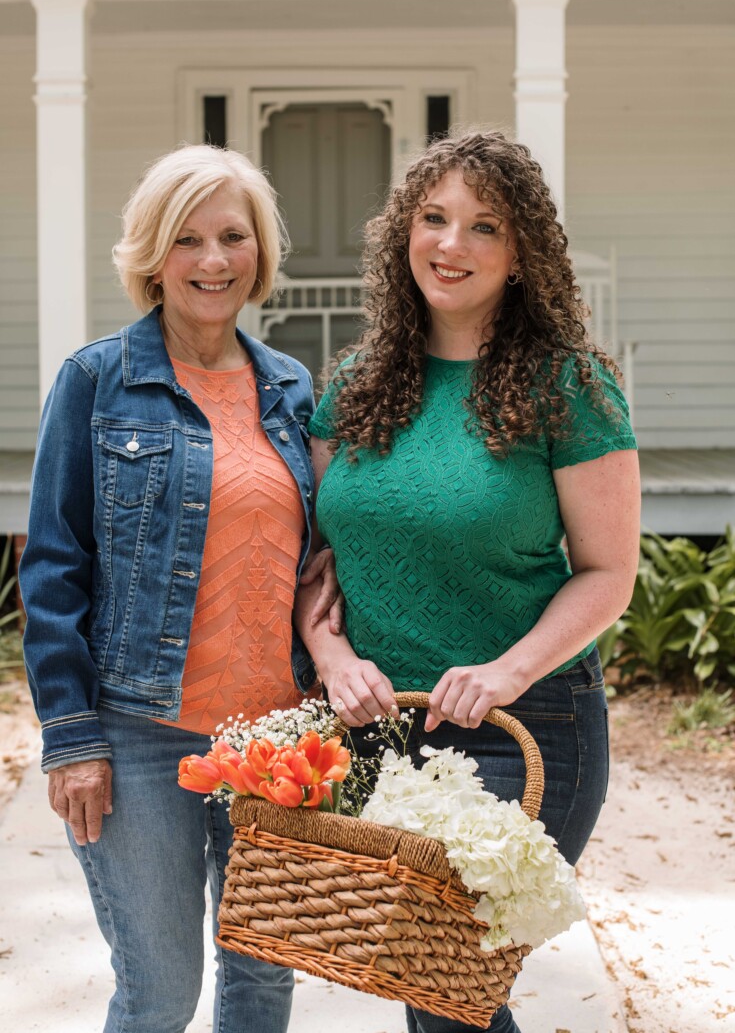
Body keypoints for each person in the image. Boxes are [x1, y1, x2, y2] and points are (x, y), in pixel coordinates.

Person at [295, 131, 641, 1033]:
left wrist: (506, 671)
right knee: (433, 990)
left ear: (522, 254)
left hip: (523, 728)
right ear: (401, 233)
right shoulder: (359, 384)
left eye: (484, 227)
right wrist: (327, 651)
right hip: (378, 723)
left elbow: (609, 573)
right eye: (433, 218)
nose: (451, 245)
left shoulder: (569, 387)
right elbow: (323, 562)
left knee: (447, 986)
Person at [20, 144, 339, 1033]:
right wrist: (72, 735)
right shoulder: (96, 381)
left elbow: (316, 561)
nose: (212, 260)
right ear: (151, 256)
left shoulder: (289, 387)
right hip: (139, 736)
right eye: (185, 238)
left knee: (263, 983)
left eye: (232, 236)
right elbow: (52, 565)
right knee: (160, 993)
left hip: (275, 744)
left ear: (259, 253)